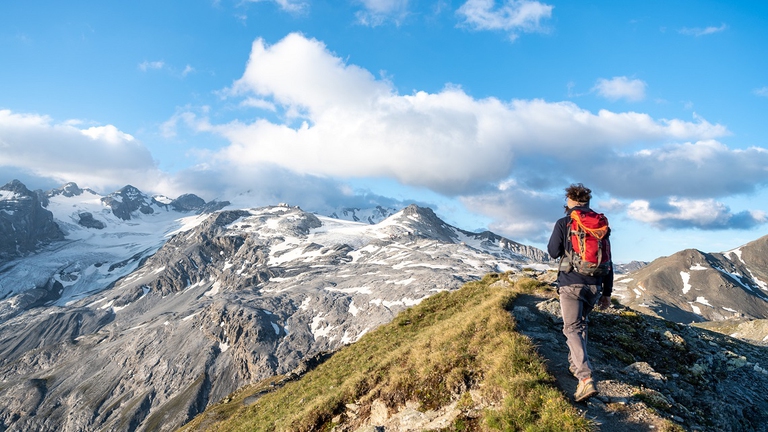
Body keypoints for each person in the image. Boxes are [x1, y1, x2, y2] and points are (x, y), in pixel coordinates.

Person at [547, 183, 613, 402]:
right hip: (595, 284)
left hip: (571, 283)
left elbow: (553, 252)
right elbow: (609, 260)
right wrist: (607, 293)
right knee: (581, 325)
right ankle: (575, 366)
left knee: (572, 328)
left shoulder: (564, 222)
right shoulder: (600, 225)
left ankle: (585, 378)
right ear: (587, 203)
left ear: (569, 203)